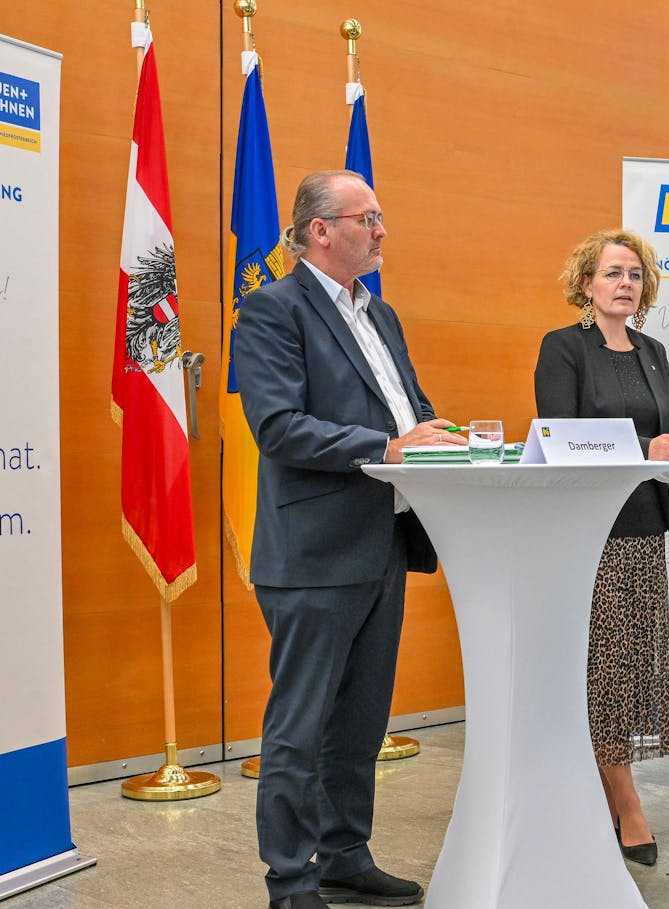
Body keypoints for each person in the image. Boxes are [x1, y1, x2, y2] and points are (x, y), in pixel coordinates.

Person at [234, 169, 464, 909]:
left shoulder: (381, 315)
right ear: (320, 230)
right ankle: (290, 877)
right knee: (301, 726)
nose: (382, 231)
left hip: (382, 543)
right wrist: (390, 446)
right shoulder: (271, 311)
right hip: (313, 551)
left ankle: (342, 852)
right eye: (369, 218)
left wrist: (436, 436)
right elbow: (276, 424)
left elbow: (411, 405)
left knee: (362, 718)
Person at [533, 229, 669, 866]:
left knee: (632, 668)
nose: (625, 284)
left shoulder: (652, 350)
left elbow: (664, 427)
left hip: (644, 523)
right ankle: (626, 805)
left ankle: (605, 789)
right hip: (590, 529)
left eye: (635, 275)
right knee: (606, 671)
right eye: (612, 273)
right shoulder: (563, 348)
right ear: (586, 284)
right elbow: (559, 439)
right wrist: (644, 451)